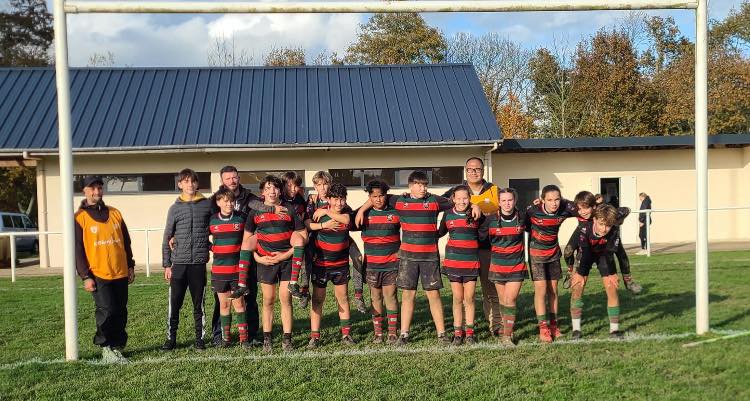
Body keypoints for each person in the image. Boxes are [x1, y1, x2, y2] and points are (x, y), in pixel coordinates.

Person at [355, 171, 481, 346]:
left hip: (430, 257)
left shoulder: (434, 201)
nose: (423, 188)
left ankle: (442, 334)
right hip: (408, 258)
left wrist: (475, 205)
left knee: (434, 295)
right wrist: (362, 210)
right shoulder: (400, 200)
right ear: (410, 186)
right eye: (419, 185)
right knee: (408, 295)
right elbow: (377, 196)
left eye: (425, 185)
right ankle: (404, 334)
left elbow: (458, 200)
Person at [206, 165, 286, 347]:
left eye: (234, 177)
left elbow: (259, 206)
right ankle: (219, 335)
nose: (232, 181)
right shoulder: (214, 200)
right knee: (222, 301)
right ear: (222, 180)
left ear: (239, 178)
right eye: (227, 178)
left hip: (246, 256)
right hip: (224, 262)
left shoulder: (249, 198)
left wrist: (271, 210)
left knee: (250, 297)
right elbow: (205, 224)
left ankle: (251, 334)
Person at [74, 175, 135, 363]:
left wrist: (130, 265)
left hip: (120, 271)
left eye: (99, 187)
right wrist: (85, 276)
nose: (97, 191)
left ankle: (117, 345)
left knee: (120, 311)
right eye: (92, 188)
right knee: (106, 311)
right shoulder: (79, 218)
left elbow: (126, 242)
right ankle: (105, 347)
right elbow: (77, 249)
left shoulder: (115, 213)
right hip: (98, 273)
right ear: (84, 191)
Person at [243, 176, 306, 353]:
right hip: (266, 261)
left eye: (275, 188)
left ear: (280, 190)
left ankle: (287, 340)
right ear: (262, 192)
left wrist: (285, 255)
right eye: (268, 188)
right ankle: (267, 340)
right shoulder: (255, 211)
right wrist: (257, 258)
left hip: (286, 261)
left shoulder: (289, 209)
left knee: (286, 299)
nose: (272, 191)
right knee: (268, 300)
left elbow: (303, 236)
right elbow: (247, 240)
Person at [443, 157, 502, 336]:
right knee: (462, 295)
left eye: (477, 169)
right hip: (464, 251)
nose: (473, 172)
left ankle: (496, 325)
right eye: (470, 169)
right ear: (465, 171)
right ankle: (462, 328)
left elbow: (508, 205)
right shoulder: (456, 191)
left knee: (490, 289)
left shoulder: (494, 190)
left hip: (487, 246)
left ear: (483, 171)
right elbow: (437, 203)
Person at [162, 168, 213, 351]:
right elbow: (167, 236)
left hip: (198, 264)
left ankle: (199, 339)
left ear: (197, 183)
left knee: (198, 305)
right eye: (186, 181)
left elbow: (216, 225)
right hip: (179, 264)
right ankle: (171, 339)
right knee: (174, 304)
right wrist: (167, 265)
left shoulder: (207, 205)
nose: (190, 184)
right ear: (180, 184)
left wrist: (211, 245)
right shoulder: (174, 208)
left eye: (193, 181)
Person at [301, 171, 367, 313]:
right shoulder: (312, 200)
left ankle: (359, 294)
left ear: (330, 185)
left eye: (326, 184)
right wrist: (324, 225)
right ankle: (304, 290)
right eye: (319, 185)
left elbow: (348, 218)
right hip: (318, 236)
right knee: (306, 256)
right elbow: (307, 222)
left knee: (357, 256)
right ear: (315, 186)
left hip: (341, 236)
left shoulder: (338, 199)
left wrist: (327, 213)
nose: (323, 188)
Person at [525, 184, 577, 343]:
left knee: (553, 290)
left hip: (553, 254)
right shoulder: (532, 211)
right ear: (542, 200)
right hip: (536, 256)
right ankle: (543, 328)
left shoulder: (564, 209)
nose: (554, 203)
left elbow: (581, 210)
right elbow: (524, 226)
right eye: (549, 200)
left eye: (557, 199)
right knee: (541, 290)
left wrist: (565, 201)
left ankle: (554, 325)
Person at [307, 183, 357, 348]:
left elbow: (347, 221)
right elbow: (308, 225)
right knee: (317, 299)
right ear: (328, 199)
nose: (339, 203)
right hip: (321, 264)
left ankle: (346, 335)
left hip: (341, 265)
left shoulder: (346, 212)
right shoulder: (319, 212)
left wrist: (327, 212)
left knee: (342, 298)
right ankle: (315, 336)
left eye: (342, 199)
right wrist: (324, 225)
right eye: (335, 199)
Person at [563, 191, 642, 294]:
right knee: (568, 251)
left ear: (594, 206)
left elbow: (626, 210)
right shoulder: (577, 208)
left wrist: (617, 218)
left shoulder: (601, 212)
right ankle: (570, 272)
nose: (582, 212)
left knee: (621, 253)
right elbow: (561, 204)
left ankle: (628, 280)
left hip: (606, 240)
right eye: (579, 209)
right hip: (585, 236)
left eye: (586, 208)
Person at [352, 179, 401, 345]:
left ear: (386, 195)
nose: (378, 199)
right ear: (369, 197)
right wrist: (361, 210)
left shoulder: (396, 212)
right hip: (372, 265)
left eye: (381, 195)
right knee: (375, 297)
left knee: (391, 295)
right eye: (374, 196)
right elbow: (346, 220)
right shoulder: (363, 214)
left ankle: (392, 332)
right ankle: (378, 333)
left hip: (392, 263)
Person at [479, 187, 527, 346]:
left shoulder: (523, 217)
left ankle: (507, 335)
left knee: (510, 299)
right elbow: (481, 238)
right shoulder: (490, 220)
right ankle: (506, 328)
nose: (507, 203)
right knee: (502, 301)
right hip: (498, 266)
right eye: (504, 200)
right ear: (498, 202)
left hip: (516, 265)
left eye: (510, 200)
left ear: (515, 201)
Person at [571, 204, 627, 339]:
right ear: (594, 219)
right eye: (601, 224)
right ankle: (576, 330)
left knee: (612, 287)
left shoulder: (613, 229)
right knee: (578, 287)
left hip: (604, 256)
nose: (604, 229)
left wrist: (612, 273)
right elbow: (573, 251)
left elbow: (612, 254)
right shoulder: (584, 228)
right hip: (585, 255)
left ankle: (614, 330)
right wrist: (575, 272)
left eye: (608, 225)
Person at [438, 185, 484, 346]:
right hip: (453, 262)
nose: (462, 201)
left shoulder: (476, 213)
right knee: (457, 298)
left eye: (465, 198)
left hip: (471, 262)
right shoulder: (448, 214)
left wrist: (477, 207)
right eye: (458, 198)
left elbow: (484, 234)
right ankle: (458, 333)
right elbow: (440, 232)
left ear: (470, 199)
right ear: (453, 199)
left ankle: (469, 333)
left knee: (469, 298)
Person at [208, 188, 250, 349]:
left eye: (232, 201)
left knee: (239, 304)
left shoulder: (241, 218)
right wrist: (213, 248)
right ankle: (226, 339)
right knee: (224, 305)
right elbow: (201, 238)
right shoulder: (212, 220)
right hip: (219, 271)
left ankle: (244, 339)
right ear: (218, 202)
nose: (229, 204)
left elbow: (250, 237)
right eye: (225, 201)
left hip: (237, 271)